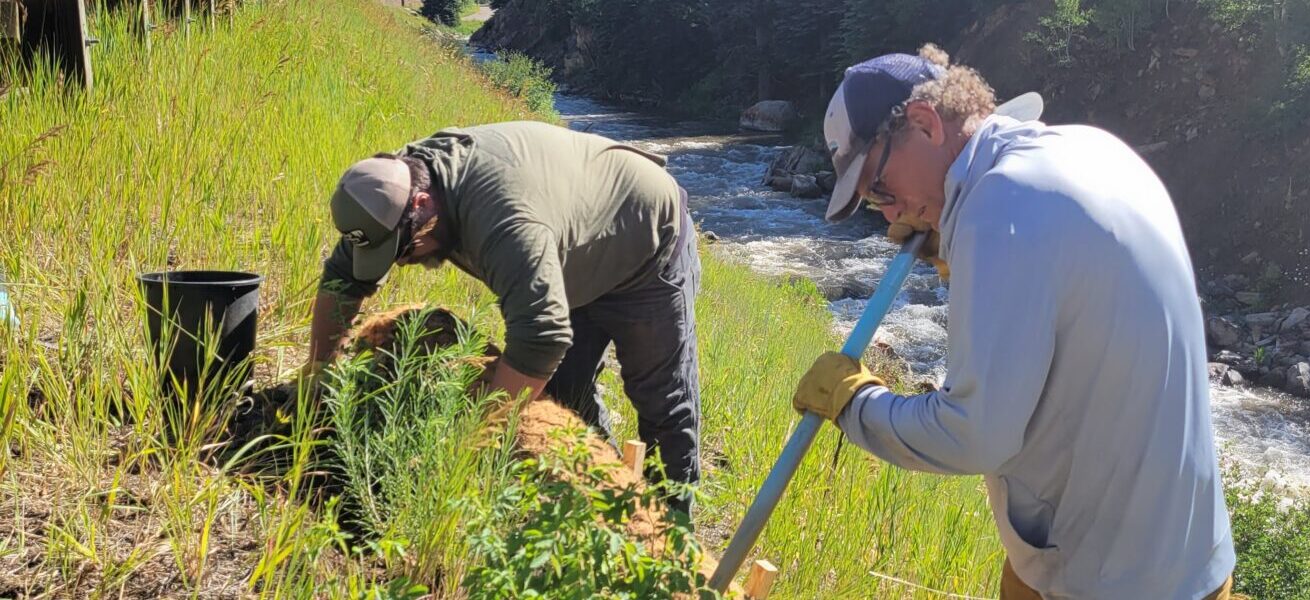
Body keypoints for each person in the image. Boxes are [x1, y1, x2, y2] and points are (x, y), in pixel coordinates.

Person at [792, 45, 1235, 599]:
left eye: (878, 189)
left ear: (926, 125)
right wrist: (958, 255)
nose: (888, 213)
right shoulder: (1086, 148)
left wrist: (855, 405)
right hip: (1189, 558)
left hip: (1104, 579)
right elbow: (1070, 309)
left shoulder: (1001, 208)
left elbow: (972, 434)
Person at [308, 121, 701, 513]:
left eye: (404, 248)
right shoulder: (383, 194)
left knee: (662, 404)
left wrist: (474, 444)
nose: (403, 262)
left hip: (646, 245)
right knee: (564, 398)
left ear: (421, 204)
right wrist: (318, 371)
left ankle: (673, 539)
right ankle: (609, 509)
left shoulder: (503, 218)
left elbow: (541, 337)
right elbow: (344, 280)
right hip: (566, 251)